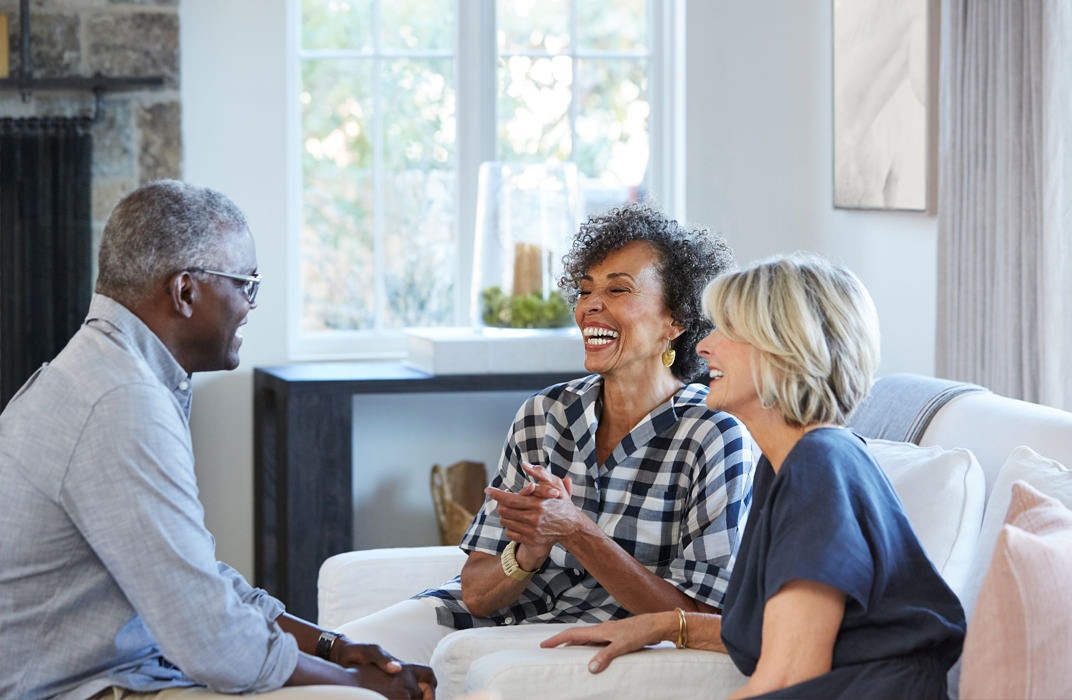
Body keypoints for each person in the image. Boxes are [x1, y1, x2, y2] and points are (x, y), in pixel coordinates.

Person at [0, 181, 435, 700]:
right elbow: (213, 641)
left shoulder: (106, 372)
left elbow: (196, 579)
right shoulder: (120, 401)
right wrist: (353, 683)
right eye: (246, 283)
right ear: (185, 292)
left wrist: (330, 646)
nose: (251, 304)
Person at [337, 202, 756, 665]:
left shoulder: (714, 434)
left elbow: (702, 616)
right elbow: (476, 593)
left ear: (675, 320)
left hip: (592, 639)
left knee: (435, 668)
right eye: (585, 290)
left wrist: (578, 532)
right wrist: (530, 550)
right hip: (487, 621)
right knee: (341, 655)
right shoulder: (545, 412)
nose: (591, 305)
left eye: (619, 289)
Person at [542, 253, 966, 699]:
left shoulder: (818, 466)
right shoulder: (788, 463)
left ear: (784, 350)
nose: (704, 347)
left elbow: (788, 679)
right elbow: (783, 636)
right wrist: (667, 624)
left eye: (729, 332)